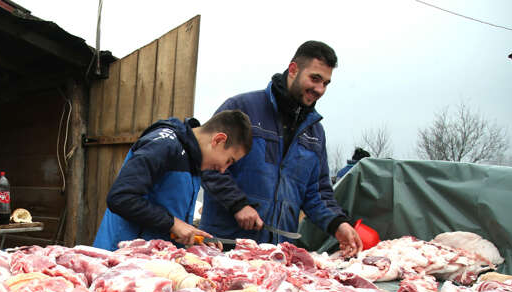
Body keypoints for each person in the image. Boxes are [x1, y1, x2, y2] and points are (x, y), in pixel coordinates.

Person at [199, 41, 363, 257]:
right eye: (315, 78)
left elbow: (318, 193)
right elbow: (206, 162)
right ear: (293, 69)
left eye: (325, 83)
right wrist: (237, 204)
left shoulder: (315, 133)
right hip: (224, 248)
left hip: (277, 255)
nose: (320, 89)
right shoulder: (242, 109)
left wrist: (338, 224)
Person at [93, 110, 252, 251]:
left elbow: (166, 213)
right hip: (120, 256)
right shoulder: (164, 144)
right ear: (218, 140)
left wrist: (189, 233)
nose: (223, 170)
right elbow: (121, 197)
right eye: (229, 161)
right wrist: (173, 224)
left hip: (151, 258)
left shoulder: (193, 160)